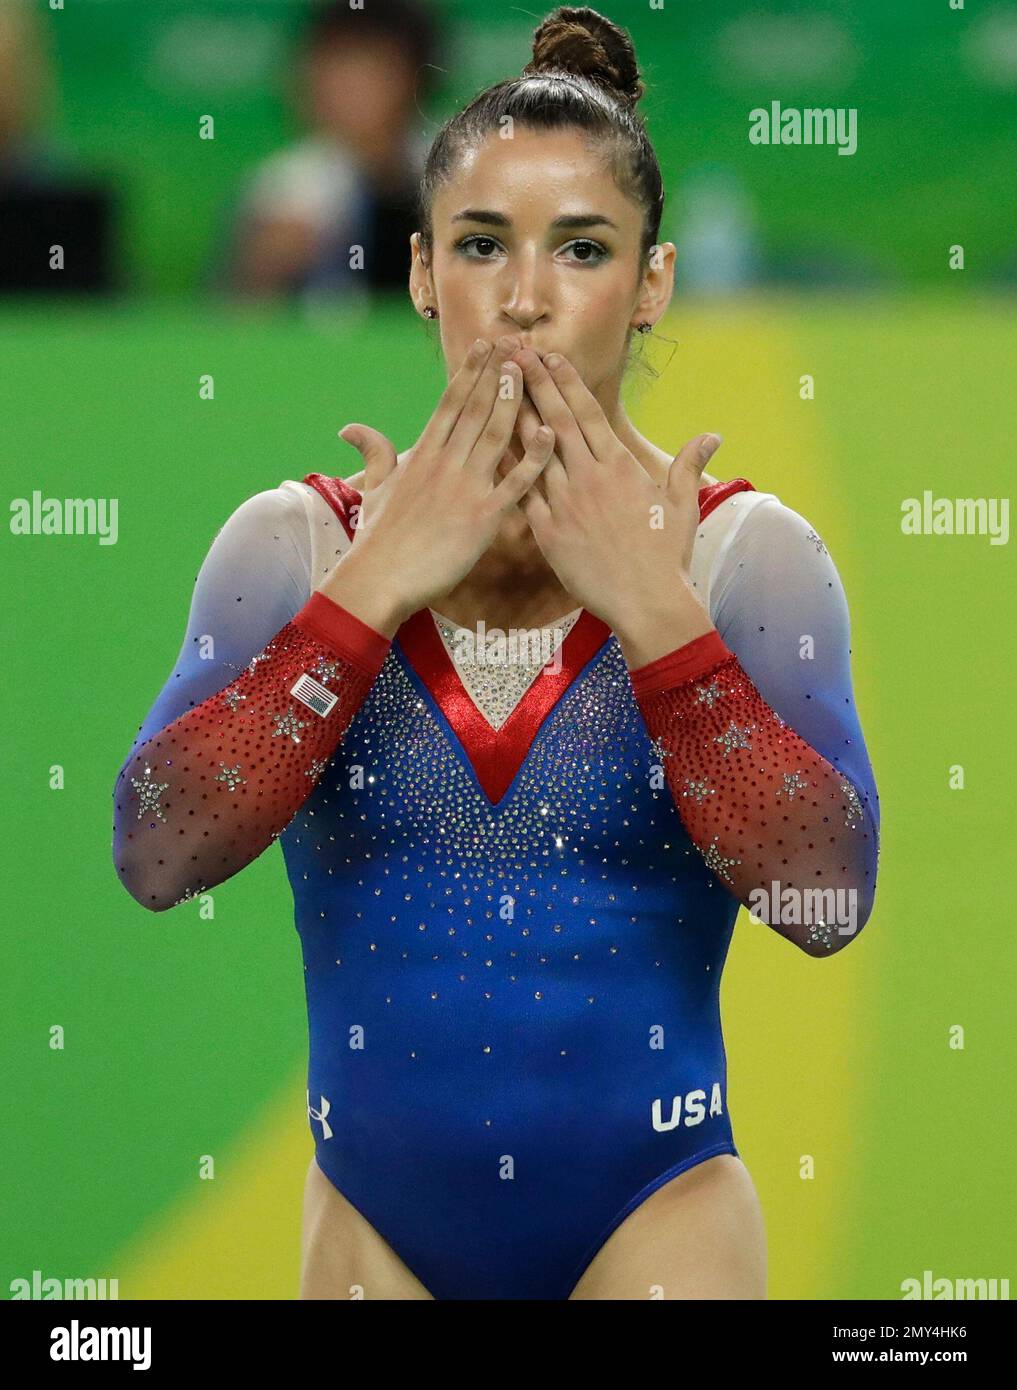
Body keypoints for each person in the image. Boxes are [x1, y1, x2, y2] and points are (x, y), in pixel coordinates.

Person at [112, 6, 880, 1300]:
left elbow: (827, 899)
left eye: (581, 250)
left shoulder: (742, 560)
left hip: (658, 1218)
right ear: (421, 274)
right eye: (481, 246)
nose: (524, 298)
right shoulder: (295, 547)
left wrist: (659, 621)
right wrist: (365, 598)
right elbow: (155, 850)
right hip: (372, 1233)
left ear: (652, 285)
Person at [220, 0, 437, 301]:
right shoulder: (281, 190)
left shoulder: (456, 172)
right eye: (336, 70)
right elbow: (230, 315)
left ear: (415, 76)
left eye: (371, 71)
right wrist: (264, 268)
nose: (351, 91)